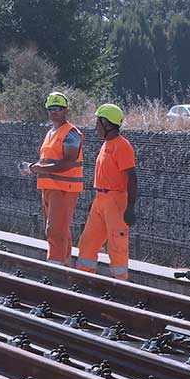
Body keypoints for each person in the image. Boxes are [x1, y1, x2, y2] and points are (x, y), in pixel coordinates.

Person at [74, 104, 138, 280]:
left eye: (98, 122)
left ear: (106, 123)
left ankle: (120, 284)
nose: (96, 126)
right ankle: (83, 279)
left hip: (116, 201)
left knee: (117, 246)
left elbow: (132, 178)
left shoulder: (122, 146)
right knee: (87, 243)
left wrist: (130, 206)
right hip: (101, 199)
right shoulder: (106, 145)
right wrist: (97, 201)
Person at [25, 92, 83, 266]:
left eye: (57, 108)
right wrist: (33, 168)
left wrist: (37, 168)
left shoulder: (71, 133)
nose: (53, 112)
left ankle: (54, 268)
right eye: (51, 108)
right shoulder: (51, 132)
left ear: (65, 110)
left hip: (63, 189)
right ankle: (65, 266)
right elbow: (49, 160)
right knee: (60, 230)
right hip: (49, 188)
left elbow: (68, 163)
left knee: (55, 231)